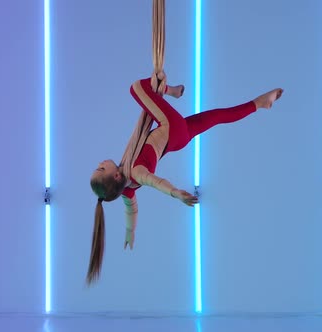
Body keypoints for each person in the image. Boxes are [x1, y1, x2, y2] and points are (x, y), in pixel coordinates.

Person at [86, 76, 283, 283]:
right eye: (101, 168)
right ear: (116, 175)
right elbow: (155, 181)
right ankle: (167, 89)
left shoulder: (127, 187)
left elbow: (131, 210)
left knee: (217, 116)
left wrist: (130, 232)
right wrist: (175, 193)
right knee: (136, 88)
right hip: (170, 127)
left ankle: (260, 103)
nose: (101, 162)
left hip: (177, 138)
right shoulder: (136, 171)